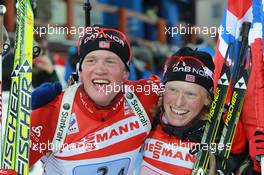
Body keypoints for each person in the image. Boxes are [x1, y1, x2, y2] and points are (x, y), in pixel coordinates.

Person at [29, 25, 161, 175]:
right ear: (80, 70)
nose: (100, 70)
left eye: (110, 61)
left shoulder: (144, 97)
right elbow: (11, 165)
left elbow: (186, 93)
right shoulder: (53, 114)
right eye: (91, 60)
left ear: (125, 73)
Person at [140, 47, 248, 175]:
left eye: (190, 94)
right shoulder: (148, 119)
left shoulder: (224, 133)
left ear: (208, 99)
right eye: (173, 90)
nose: (179, 103)